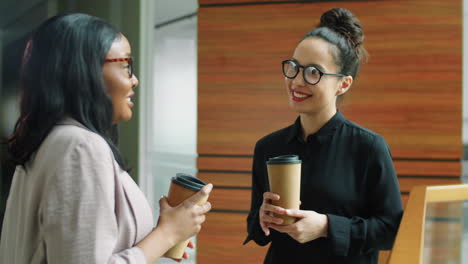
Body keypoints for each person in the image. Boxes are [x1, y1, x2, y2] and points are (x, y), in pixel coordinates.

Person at [0, 13, 212, 264]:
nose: (135, 79)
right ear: (84, 70)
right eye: (125, 66)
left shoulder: (49, 141)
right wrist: (168, 234)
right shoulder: (80, 147)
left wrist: (158, 240)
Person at [244, 8, 403, 263]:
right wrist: (261, 217)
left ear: (343, 84)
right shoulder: (268, 147)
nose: (297, 81)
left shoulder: (368, 147)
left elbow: (390, 230)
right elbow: (258, 230)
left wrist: (327, 226)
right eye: (294, 67)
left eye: (313, 72)